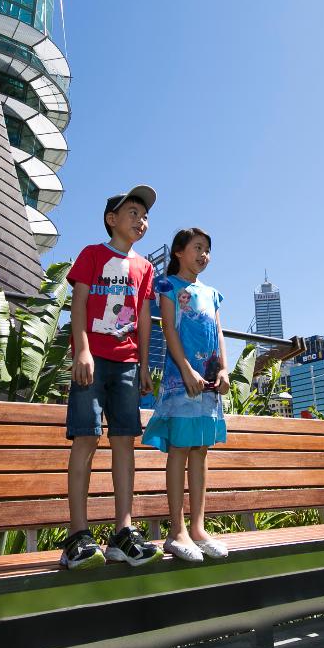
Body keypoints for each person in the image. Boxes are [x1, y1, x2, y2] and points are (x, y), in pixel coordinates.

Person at [61, 185, 163, 570]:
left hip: (127, 363)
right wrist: (82, 350)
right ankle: (78, 535)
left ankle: (123, 531)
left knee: (125, 442)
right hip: (93, 361)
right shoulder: (92, 254)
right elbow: (80, 304)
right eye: (133, 212)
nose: (141, 220)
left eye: (145, 215)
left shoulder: (145, 268)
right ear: (112, 219)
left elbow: (143, 320)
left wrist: (143, 367)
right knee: (86, 437)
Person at [142, 227, 231, 562]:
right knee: (179, 449)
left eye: (207, 249)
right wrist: (185, 369)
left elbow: (219, 332)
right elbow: (168, 328)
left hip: (208, 382)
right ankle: (176, 531)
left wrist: (222, 369)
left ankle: (198, 528)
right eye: (197, 248)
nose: (203, 254)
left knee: (200, 450)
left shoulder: (212, 294)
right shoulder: (168, 286)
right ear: (179, 252)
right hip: (183, 381)